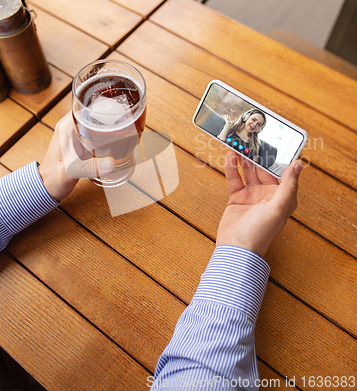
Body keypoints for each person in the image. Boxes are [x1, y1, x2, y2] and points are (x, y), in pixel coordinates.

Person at [0, 113, 303, 389]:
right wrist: (239, 251)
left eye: (260, 125)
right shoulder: (227, 124)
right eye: (254, 120)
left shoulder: (257, 144)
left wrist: (43, 183)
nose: (255, 126)